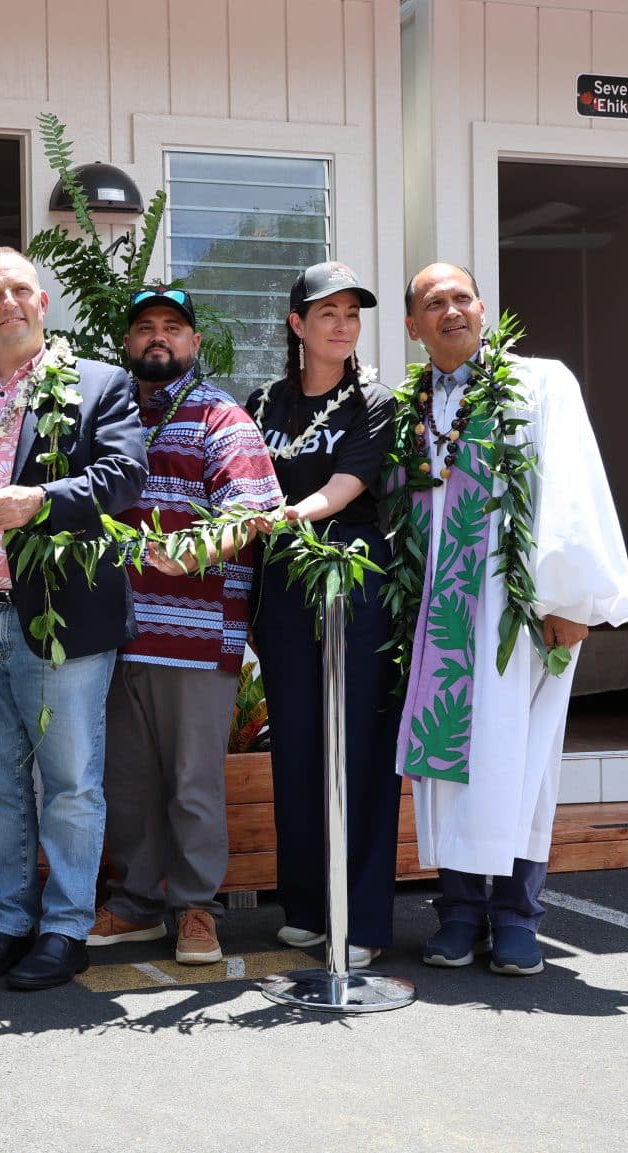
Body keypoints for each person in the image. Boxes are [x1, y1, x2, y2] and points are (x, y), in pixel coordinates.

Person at [395, 263, 628, 975]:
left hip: (519, 610)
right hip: (441, 613)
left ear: (485, 309)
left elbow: (574, 486)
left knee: (523, 761)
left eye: (461, 298)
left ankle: (518, 915)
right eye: (433, 304)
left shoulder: (539, 383)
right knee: (450, 770)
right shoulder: (413, 405)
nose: (450, 311)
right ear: (413, 327)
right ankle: (460, 912)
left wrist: (572, 600)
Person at [0, 247, 147, 991]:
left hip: (64, 620)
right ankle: (8, 920)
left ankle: (64, 928)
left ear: (43, 301)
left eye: (21, 288)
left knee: (70, 780)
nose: (9, 302)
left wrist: (41, 501)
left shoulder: (99, 384)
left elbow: (125, 476)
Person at [90, 286, 280, 966]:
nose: (158, 337)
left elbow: (252, 508)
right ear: (128, 344)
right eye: (145, 327)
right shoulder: (108, 415)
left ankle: (196, 907)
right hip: (116, 634)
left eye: (173, 326)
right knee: (127, 779)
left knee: (194, 780)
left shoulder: (219, 415)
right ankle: (137, 901)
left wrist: (189, 554)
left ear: (195, 343)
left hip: (198, 638)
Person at [245, 261, 402, 968]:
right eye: (327, 312)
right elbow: (241, 481)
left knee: (359, 753)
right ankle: (309, 906)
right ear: (296, 324)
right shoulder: (263, 403)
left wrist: (280, 517)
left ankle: (363, 918)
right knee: (299, 746)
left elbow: (345, 485)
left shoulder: (373, 401)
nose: (342, 324)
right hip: (282, 589)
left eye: (352, 312)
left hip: (353, 586)